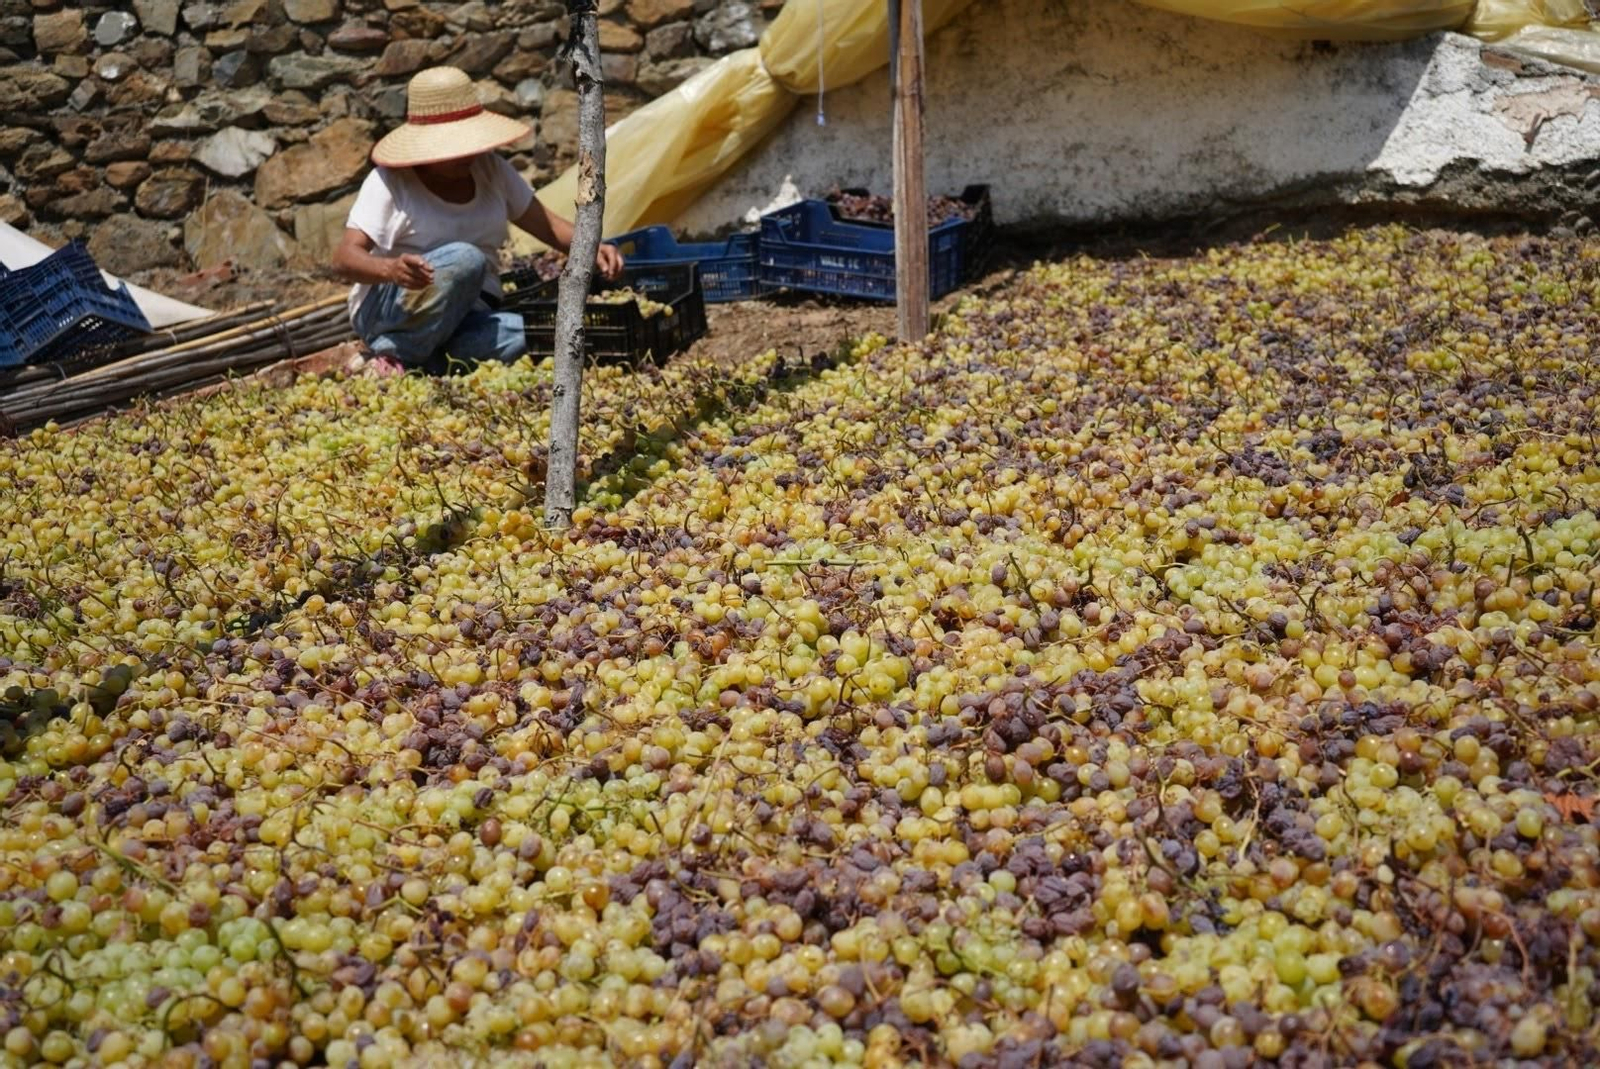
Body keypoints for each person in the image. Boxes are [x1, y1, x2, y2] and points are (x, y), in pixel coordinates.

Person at [333, 66, 623, 375]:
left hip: (466, 318)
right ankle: (395, 353)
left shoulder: (492, 171)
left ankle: (424, 361)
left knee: (538, 334)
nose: (466, 154)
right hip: (391, 312)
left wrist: (592, 248)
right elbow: (344, 259)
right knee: (466, 259)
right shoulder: (390, 182)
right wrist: (391, 270)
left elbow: (547, 226)